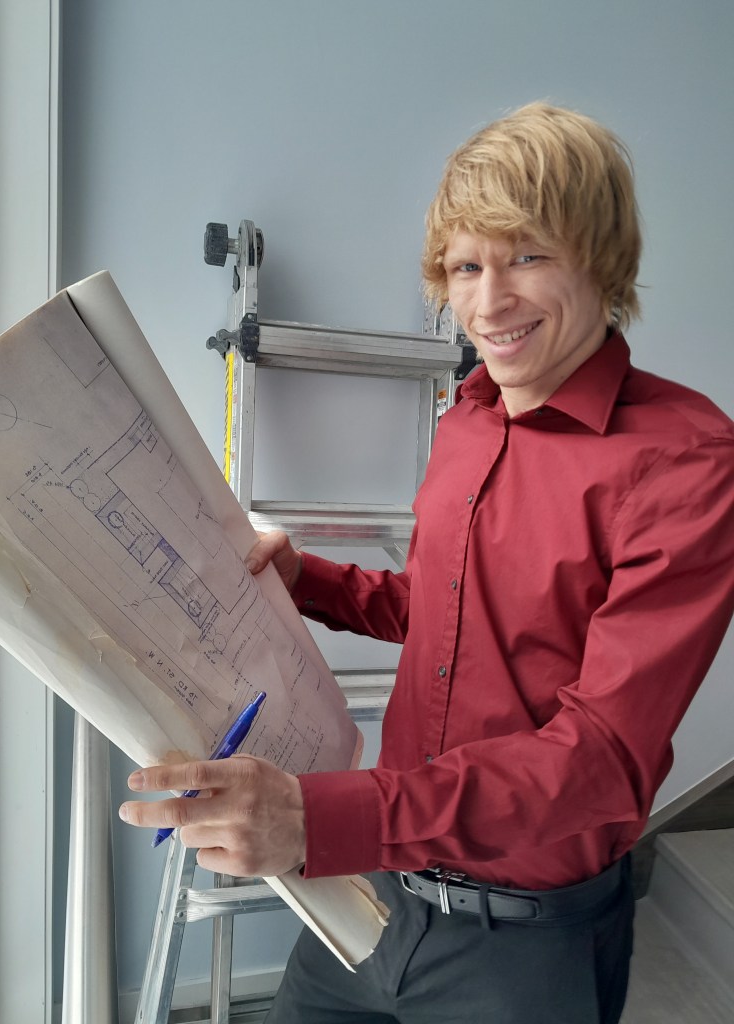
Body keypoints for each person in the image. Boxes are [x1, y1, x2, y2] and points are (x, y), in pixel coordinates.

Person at [119, 103, 734, 1023]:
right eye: (464, 266)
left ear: (601, 259)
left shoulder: (686, 459)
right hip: (378, 900)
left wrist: (318, 820)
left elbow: (604, 761)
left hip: (523, 946)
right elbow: (449, 615)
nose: (489, 302)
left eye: (527, 255)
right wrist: (312, 584)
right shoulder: (472, 415)